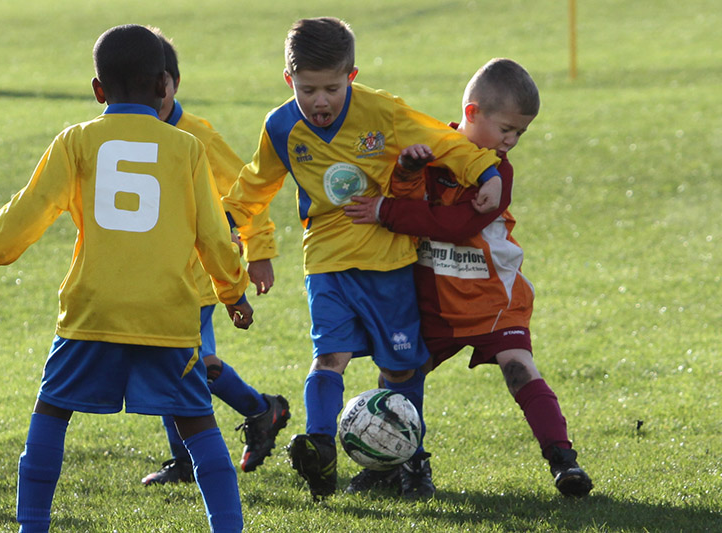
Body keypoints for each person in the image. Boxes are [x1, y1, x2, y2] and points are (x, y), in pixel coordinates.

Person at [0, 24, 253, 532]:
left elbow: (28, 210)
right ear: (163, 86)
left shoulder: (77, 141)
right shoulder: (186, 148)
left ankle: (32, 526)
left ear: (98, 90)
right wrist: (233, 293)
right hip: (167, 314)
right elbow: (214, 234)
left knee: (51, 413)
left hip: (92, 310)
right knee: (197, 423)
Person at [222, 17, 503, 501]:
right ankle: (320, 448)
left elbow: (443, 140)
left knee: (400, 369)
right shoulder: (281, 126)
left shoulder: (382, 111)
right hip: (326, 261)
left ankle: (411, 462)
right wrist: (238, 232)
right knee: (328, 356)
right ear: (289, 80)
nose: (321, 101)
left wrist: (486, 173)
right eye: (308, 90)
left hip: (387, 261)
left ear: (351, 76)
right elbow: (253, 186)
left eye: (332, 88)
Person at [343, 58, 594, 498]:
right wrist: (406, 171)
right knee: (399, 376)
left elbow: (456, 225)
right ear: (472, 113)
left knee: (518, 368)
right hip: (433, 302)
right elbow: (405, 192)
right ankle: (403, 465)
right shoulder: (430, 150)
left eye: (520, 133)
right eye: (506, 129)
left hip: (491, 299)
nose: (512, 141)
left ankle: (563, 460)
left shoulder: (498, 173)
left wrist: (386, 212)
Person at [140, 29, 290, 487]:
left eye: (159, 85)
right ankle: (259, 412)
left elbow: (248, 189)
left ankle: (211, 443)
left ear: (174, 83)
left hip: (199, 276)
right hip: (152, 279)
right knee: (174, 365)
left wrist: (259, 251)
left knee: (183, 364)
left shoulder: (198, 136)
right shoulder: (124, 136)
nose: (150, 95)